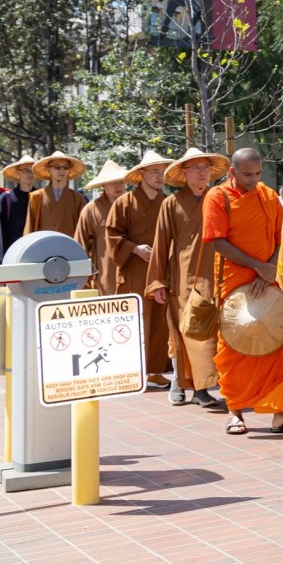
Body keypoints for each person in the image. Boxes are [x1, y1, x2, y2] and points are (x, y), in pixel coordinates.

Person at [205, 147, 283, 436]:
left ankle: (280, 414)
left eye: (258, 173)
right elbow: (217, 242)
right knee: (235, 343)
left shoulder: (268, 195)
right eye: (247, 174)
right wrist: (257, 266)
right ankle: (235, 412)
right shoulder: (218, 197)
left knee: (277, 337)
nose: (254, 179)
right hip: (235, 279)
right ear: (232, 172)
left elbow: (279, 237)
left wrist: (269, 267)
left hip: (268, 278)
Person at [146, 147, 229, 410]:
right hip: (182, 275)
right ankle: (196, 387)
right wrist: (157, 281)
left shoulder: (218, 198)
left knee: (210, 330)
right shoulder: (171, 203)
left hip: (214, 270)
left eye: (205, 167)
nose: (202, 172)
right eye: (195, 167)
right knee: (189, 330)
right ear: (184, 172)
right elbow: (161, 244)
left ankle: (191, 383)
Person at [107, 150, 174, 389]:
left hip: (159, 270)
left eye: (162, 172)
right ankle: (128, 370)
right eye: (154, 172)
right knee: (133, 318)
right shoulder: (124, 203)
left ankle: (154, 370)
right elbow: (112, 235)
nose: (159, 176)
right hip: (134, 269)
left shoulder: (167, 202)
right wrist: (135, 249)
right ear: (141, 174)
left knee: (158, 320)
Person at [74, 160, 128, 295]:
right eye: (113, 182)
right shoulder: (91, 209)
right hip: (105, 270)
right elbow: (80, 244)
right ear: (104, 185)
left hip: (131, 268)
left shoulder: (133, 206)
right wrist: (83, 273)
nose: (118, 186)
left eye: (121, 181)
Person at [25, 152, 86, 237]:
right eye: (57, 167)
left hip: (70, 246)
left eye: (66, 167)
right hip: (43, 246)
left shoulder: (78, 198)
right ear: (48, 169)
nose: (62, 170)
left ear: (69, 170)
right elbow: (29, 226)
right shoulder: (36, 197)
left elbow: (83, 229)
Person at [0, 154, 36, 263]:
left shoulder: (40, 197)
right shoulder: (7, 198)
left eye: (33, 170)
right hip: (12, 254)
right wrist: (0, 261)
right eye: (26, 170)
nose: (30, 174)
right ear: (18, 173)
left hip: (36, 253)